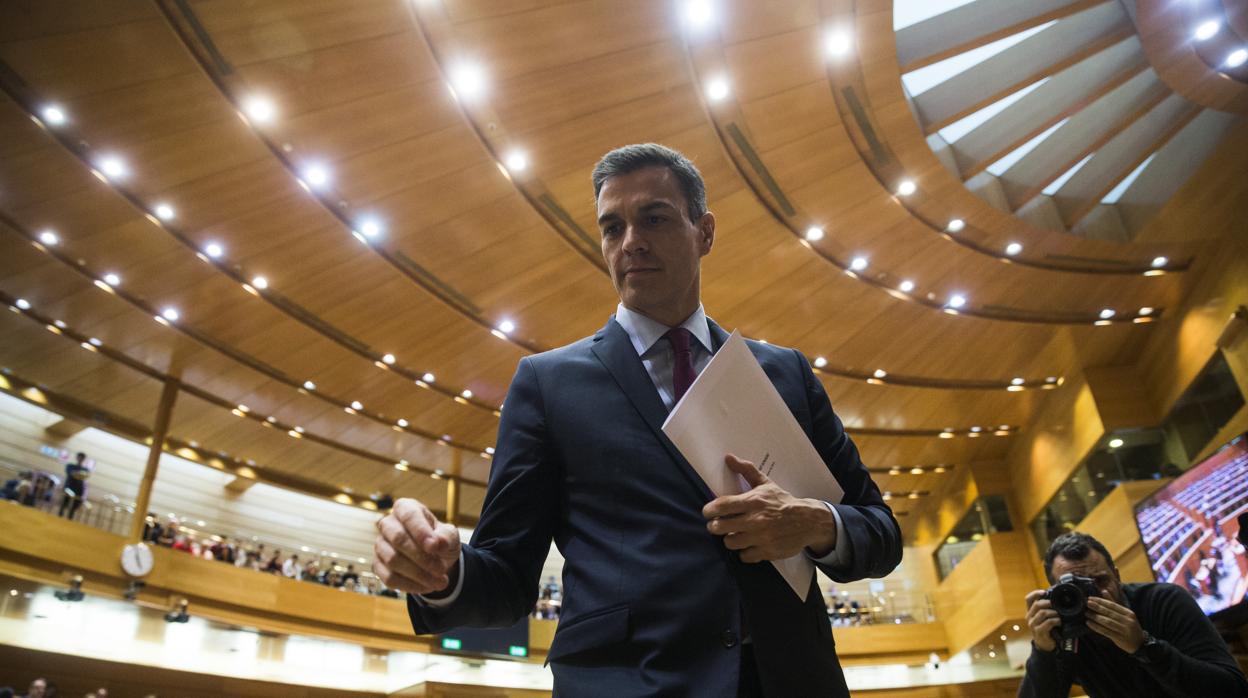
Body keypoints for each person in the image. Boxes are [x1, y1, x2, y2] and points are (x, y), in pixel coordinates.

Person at [373, 144, 902, 696]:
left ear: (705, 233)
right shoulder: (547, 384)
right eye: (611, 227)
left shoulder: (784, 372)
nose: (631, 242)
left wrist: (816, 523)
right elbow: (506, 576)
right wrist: (443, 573)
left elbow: (881, 532)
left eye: (654, 218)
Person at [1019, 531, 1248, 697]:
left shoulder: (1164, 601)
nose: (1092, 596)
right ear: (1056, 594)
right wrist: (1043, 651)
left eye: (1099, 581)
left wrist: (1143, 646)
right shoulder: (1064, 633)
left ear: (1117, 576)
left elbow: (1231, 690)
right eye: (1073, 591)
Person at [56, 452, 90, 519]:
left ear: (84, 459)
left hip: (79, 489)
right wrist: (78, 474)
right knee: (64, 503)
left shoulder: (85, 470)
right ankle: (59, 517)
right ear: (77, 457)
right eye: (79, 457)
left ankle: (69, 519)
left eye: (82, 458)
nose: (80, 459)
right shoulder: (70, 466)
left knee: (74, 506)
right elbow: (71, 473)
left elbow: (84, 476)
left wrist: (76, 474)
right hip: (69, 487)